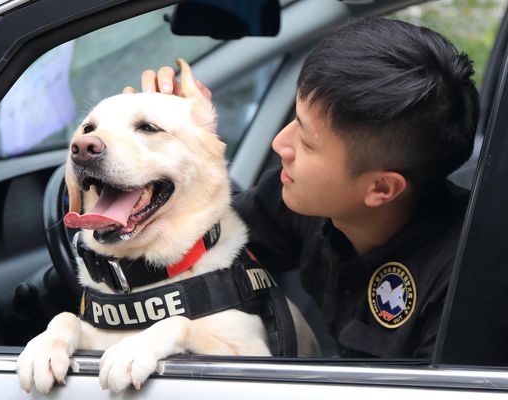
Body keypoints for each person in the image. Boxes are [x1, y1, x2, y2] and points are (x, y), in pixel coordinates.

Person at [127, 18, 480, 358]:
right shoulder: (307, 200)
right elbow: (202, 242)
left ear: (381, 189)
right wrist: (165, 140)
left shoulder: (463, 288)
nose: (281, 144)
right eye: (295, 119)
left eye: (308, 143)